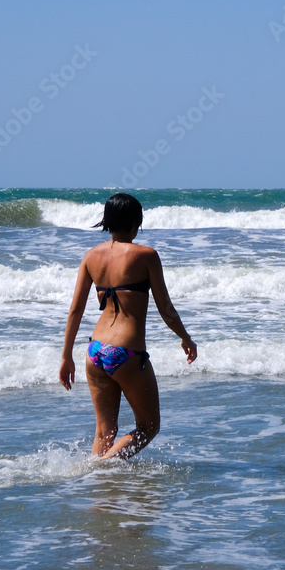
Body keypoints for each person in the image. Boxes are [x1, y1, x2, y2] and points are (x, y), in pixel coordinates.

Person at [59, 193, 196, 459]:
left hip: (95, 351)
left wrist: (66, 356)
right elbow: (165, 307)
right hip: (126, 353)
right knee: (149, 427)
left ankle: (98, 490)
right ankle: (102, 469)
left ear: (108, 221)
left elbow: (75, 310)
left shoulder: (91, 256)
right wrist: (185, 338)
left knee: (104, 432)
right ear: (136, 221)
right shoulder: (146, 256)